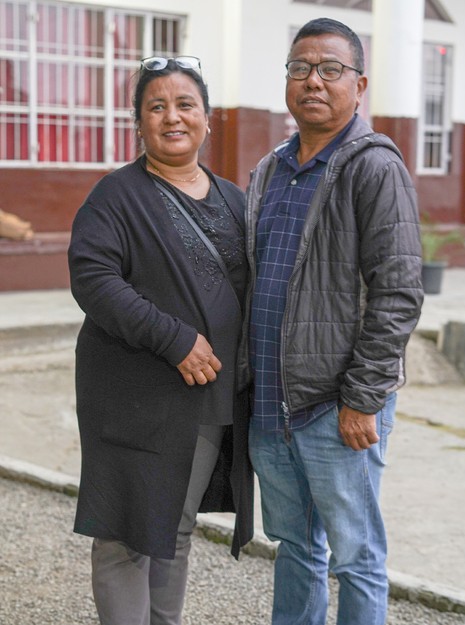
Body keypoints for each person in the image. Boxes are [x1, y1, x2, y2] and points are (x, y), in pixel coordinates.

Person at [239, 17, 424, 625]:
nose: (312, 81)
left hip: (337, 409)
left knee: (356, 557)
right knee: (295, 547)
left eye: (330, 69)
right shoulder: (269, 170)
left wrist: (363, 399)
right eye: (300, 68)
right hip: (273, 405)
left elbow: (398, 292)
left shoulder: (373, 166)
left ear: (359, 84)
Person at [68, 55, 253, 625]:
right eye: (157, 107)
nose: (173, 117)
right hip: (134, 395)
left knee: (174, 526)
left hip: (206, 397)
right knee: (126, 533)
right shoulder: (116, 196)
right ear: (139, 123)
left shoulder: (234, 199)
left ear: (207, 118)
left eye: (185, 104)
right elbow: (94, 280)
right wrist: (174, 339)